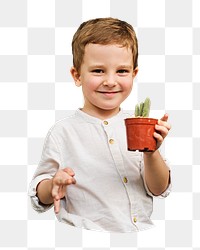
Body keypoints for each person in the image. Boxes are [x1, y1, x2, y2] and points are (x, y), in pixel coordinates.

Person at [28, 17, 171, 233]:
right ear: (77, 75)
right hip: (85, 237)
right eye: (98, 71)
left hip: (139, 236)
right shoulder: (63, 133)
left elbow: (158, 189)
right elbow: (40, 193)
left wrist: (152, 153)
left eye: (121, 71)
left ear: (134, 74)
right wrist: (53, 184)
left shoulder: (140, 125)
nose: (111, 81)